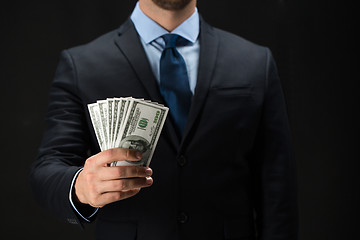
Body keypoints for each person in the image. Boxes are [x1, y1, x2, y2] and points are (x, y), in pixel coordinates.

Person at [29, 0, 298, 239]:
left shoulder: (254, 61)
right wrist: (80, 186)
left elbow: (277, 185)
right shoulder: (82, 64)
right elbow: (48, 168)